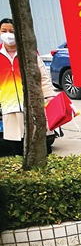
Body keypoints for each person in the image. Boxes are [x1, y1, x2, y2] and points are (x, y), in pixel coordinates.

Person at [0, 18, 56, 156]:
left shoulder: (29, 53)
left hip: (33, 105)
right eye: (4, 31)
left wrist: (50, 97)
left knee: (39, 143)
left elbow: (43, 76)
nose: (8, 34)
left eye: (12, 31)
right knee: (15, 145)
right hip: (9, 106)